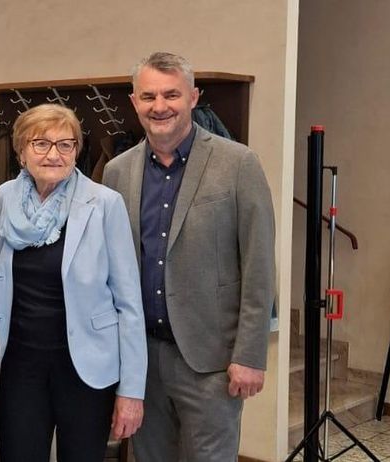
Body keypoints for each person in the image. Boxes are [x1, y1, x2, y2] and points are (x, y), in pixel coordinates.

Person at [102, 52, 276, 461]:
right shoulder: (116, 172)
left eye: (171, 95)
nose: (159, 106)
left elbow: (259, 265)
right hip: (142, 363)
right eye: (149, 96)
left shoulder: (239, 164)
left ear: (193, 98)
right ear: (134, 102)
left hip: (211, 363)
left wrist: (250, 355)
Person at [0, 103, 147, 461]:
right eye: (41, 143)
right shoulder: (1, 199)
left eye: (65, 144)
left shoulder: (104, 203)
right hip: (18, 367)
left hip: (86, 369)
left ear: (77, 151)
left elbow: (129, 303)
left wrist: (132, 390)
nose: (54, 154)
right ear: (20, 152)